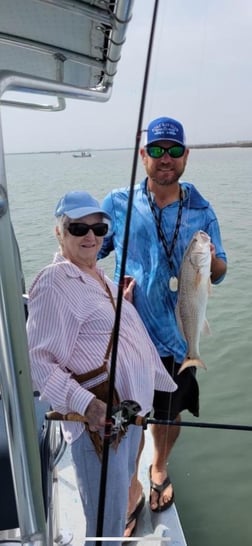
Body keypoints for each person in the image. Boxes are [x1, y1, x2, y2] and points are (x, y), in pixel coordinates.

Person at [26, 190, 177, 546]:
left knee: (116, 501)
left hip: (126, 419)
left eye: (99, 227)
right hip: (100, 427)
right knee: (105, 526)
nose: (91, 236)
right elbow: (37, 364)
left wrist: (117, 304)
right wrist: (87, 405)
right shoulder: (55, 282)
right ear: (59, 233)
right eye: (78, 228)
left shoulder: (99, 279)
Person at [98, 116, 227, 523]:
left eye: (173, 150)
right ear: (143, 156)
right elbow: (87, 251)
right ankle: (133, 488)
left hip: (179, 338)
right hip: (133, 336)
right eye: (156, 150)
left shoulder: (202, 209)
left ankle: (159, 467)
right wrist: (103, 289)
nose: (165, 158)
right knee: (132, 416)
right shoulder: (118, 203)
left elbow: (222, 271)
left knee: (170, 414)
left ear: (186, 155)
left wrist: (209, 262)